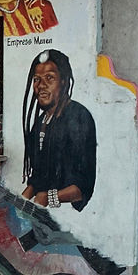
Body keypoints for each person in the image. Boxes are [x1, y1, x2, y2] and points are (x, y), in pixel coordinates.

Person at [21, 49, 96, 211]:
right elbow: (40, 175)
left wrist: (50, 197)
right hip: (44, 209)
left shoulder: (78, 116)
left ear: (63, 81)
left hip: (71, 215)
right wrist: (22, 199)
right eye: (36, 79)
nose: (41, 85)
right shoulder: (41, 121)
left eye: (49, 78)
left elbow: (82, 186)